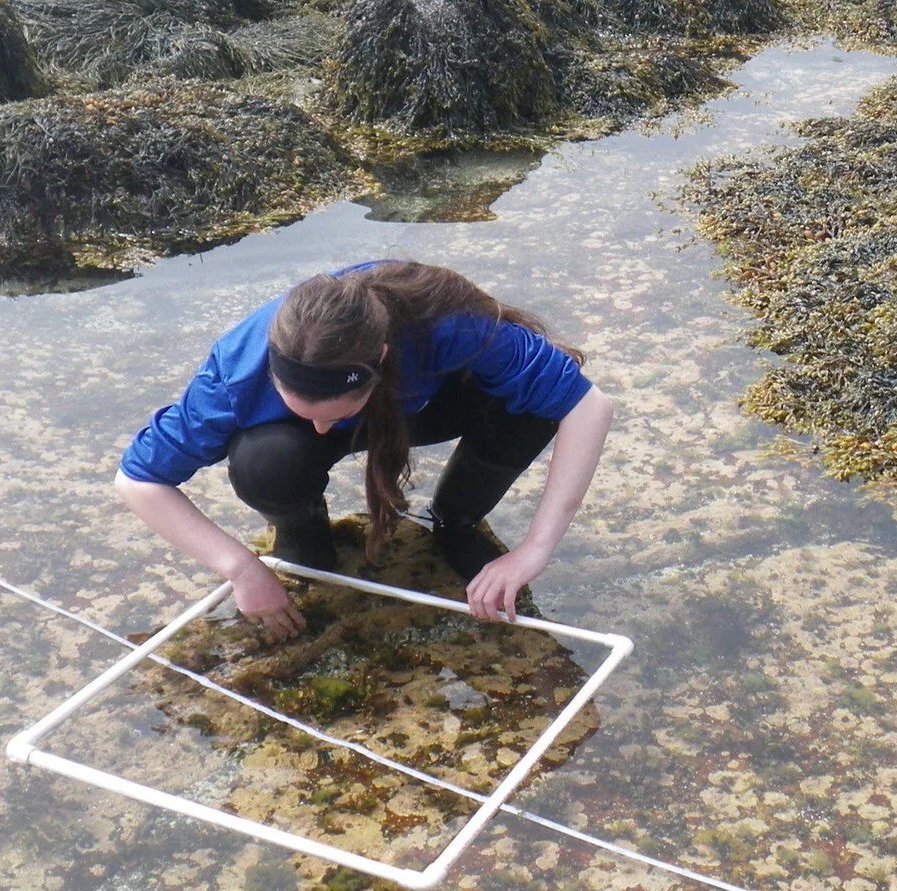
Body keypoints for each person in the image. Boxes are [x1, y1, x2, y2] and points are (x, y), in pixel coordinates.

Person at [114, 260, 612, 637]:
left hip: (421, 402)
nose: (324, 429)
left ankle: (456, 519)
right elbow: (138, 480)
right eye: (304, 411)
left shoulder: (446, 323)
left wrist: (534, 551)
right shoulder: (233, 372)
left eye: (333, 411)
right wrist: (241, 567)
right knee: (266, 462)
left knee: (536, 404)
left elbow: (588, 408)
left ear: (381, 357)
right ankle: (305, 534)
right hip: (309, 437)